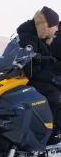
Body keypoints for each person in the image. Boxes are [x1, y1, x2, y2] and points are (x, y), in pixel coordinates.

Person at [17, 7, 61, 140]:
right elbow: (31, 66)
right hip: (31, 76)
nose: (57, 30)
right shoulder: (28, 36)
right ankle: (52, 132)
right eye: (54, 26)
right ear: (46, 26)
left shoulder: (39, 35)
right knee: (54, 95)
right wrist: (53, 77)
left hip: (41, 73)